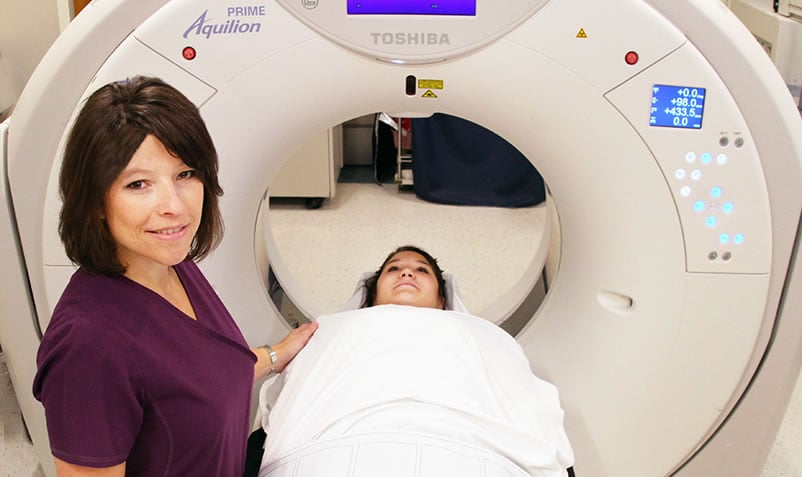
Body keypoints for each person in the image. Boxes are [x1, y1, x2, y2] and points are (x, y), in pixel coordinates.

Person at [32, 76, 317, 477]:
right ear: (94, 199)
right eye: (138, 184)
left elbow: (198, 380)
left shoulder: (171, 264)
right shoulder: (89, 347)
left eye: (185, 174)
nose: (174, 206)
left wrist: (275, 355)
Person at [255, 245, 575, 477]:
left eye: (422, 270)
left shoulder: (482, 334)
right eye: (393, 269)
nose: (406, 272)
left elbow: (519, 393)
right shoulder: (331, 328)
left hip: (477, 451)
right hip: (328, 451)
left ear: (442, 300)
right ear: (371, 297)